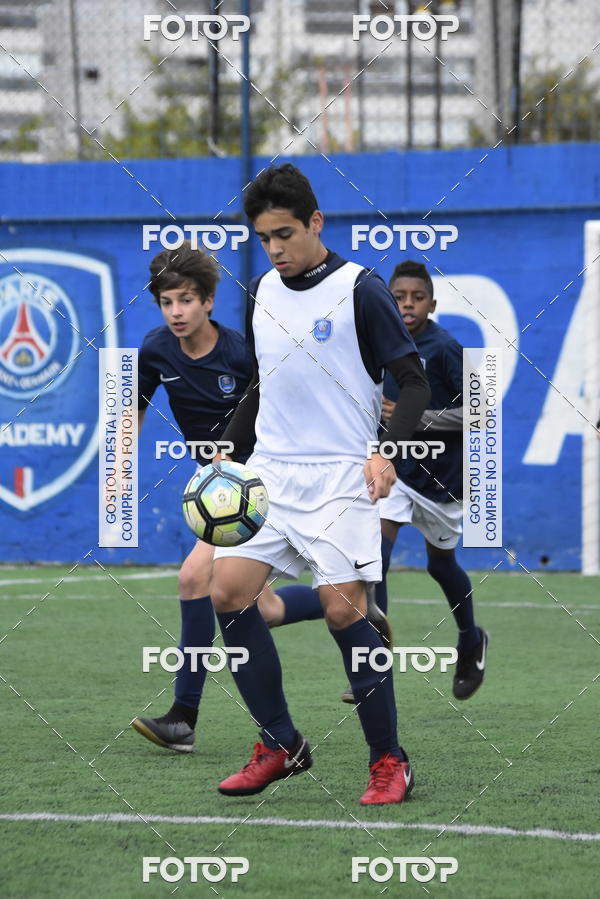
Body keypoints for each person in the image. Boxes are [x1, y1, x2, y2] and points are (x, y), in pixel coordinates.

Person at [209, 163, 431, 805]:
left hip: (342, 474)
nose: (275, 248)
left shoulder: (360, 288)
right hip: (270, 475)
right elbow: (260, 387)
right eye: (263, 238)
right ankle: (280, 743)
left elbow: (411, 382)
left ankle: (389, 760)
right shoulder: (263, 292)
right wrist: (229, 454)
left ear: (315, 223)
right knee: (227, 593)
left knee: (343, 610)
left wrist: (388, 451)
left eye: (285, 233)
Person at [130, 242, 323, 753]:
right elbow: (135, 408)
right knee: (268, 607)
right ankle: (348, 603)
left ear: (209, 301)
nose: (177, 312)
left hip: (259, 480)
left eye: (187, 300)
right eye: (167, 302)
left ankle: (182, 718)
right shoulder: (156, 350)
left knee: (195, 576)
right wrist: (120, 463)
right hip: (216, 487)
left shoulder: (240, 352)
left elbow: (279, 405)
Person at [374, 260, 488, 701]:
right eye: (399, 297)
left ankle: (470, 639)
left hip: (443, 479)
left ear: (431, 303)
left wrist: (415, 418)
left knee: (440, 565)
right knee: (374, 555)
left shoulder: (444, 347)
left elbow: (478, 414)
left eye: (416, 298)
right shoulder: (381, 347)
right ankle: (372, 656)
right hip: (396, 473)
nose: (407, 305)